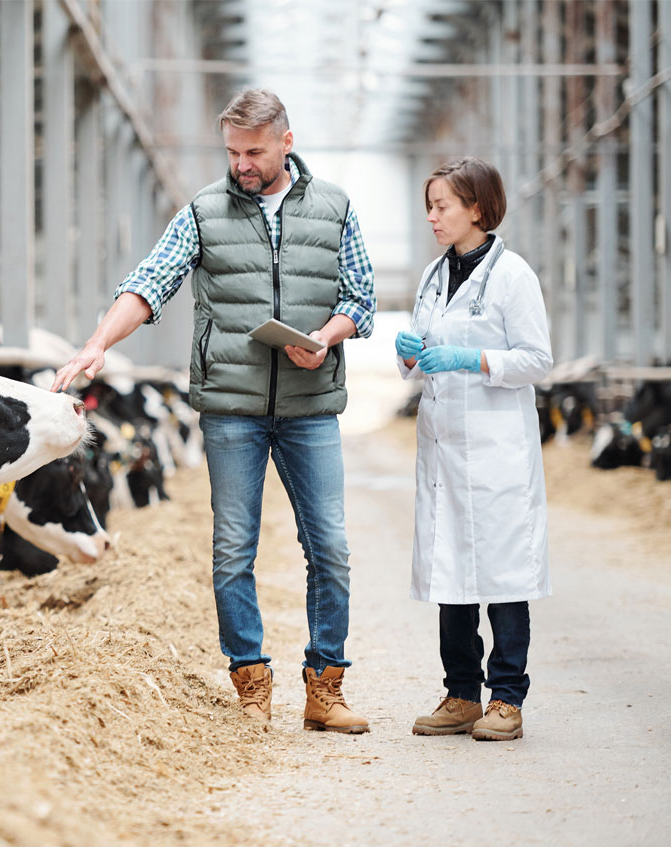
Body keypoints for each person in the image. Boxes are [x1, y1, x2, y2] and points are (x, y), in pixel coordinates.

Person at [53, 89, 375, 732]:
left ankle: (325, 687)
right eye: (232, 151)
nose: (241, 164)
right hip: (232, 408)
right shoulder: (204, 211)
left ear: (287, 141)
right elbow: (150, 281)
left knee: (331, 548)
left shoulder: (335, 206)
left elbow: (359, 295)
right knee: (233, 548)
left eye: (254, 151)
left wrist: (327, 338)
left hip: (311, 406)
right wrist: (97, 343)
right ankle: (251, 682)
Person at [397, 157, 552, 742]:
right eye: (429, 207)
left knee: (503, 574)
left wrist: (475, 359)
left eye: (442, 207)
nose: (433, 218)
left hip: (496, 450)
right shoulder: (433, 278)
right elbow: (416, 363)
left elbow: (537, 360)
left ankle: (507, 697)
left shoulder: (514, 276)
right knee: (451, 571)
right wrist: (409, 354)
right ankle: (461, 693)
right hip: (443, 448)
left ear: (477, 210)